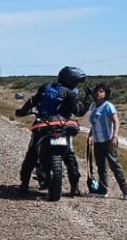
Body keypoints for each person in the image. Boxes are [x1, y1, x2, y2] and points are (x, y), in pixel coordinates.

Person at [15, 66, 92, 195]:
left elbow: (32, 101)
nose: (77, 84)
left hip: (42, 124)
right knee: (70, 156)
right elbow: (79, 111)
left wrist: (22, 112)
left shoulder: (46, 87)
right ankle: (75, 187)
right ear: (71, 80)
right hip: (63, 126)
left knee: (32, 153)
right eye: (76, 81)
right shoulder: (70, 93)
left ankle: (24, 183)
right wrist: (88, 97)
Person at [87, 82, 127, 198]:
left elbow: (116, 122)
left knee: (114, 164)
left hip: (108, 140)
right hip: (98, 141)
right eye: (97, 91)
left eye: (101, 91)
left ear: (106, 94)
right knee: (101, 166)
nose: (98, 93)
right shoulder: (94, 106)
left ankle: (125, 189)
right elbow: (94, 123)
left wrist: (115, 137)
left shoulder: (108, 106)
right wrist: (91, 135)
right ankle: (102, 189)